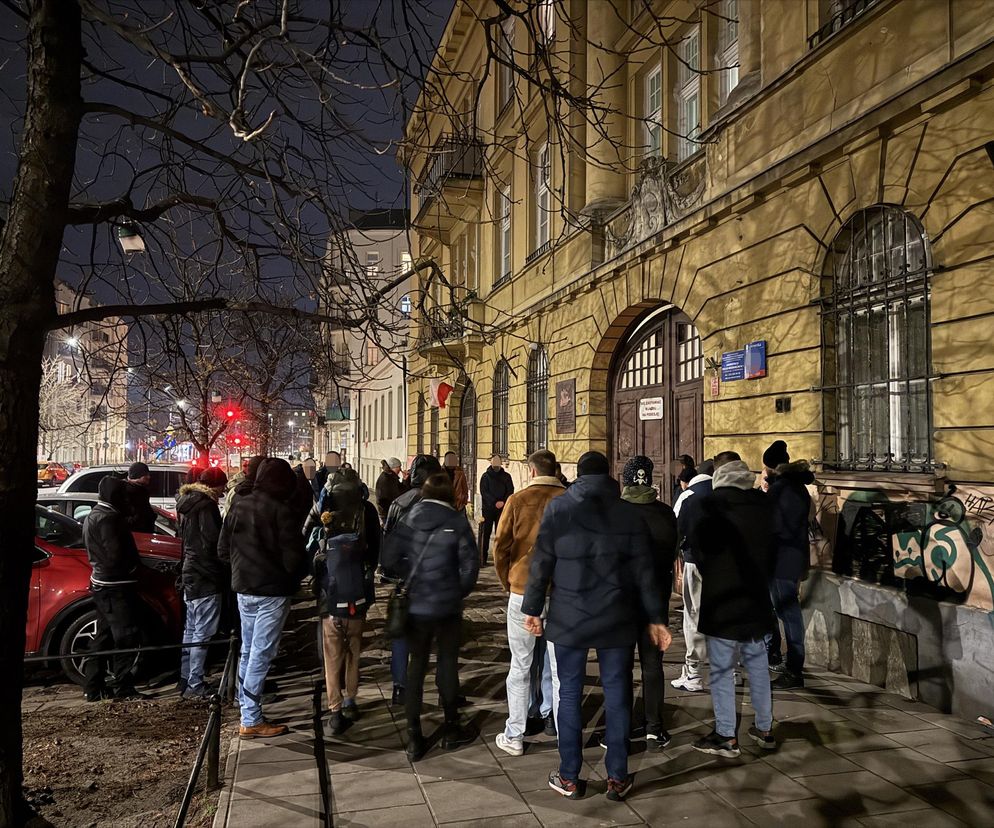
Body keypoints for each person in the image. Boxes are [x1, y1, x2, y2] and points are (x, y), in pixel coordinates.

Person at [522, 451, 672, 802]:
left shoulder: (561, 509)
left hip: (570, 616)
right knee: (618, 693)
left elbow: (541, 560)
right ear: (609, 477)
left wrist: (533, 608)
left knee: (570, 693)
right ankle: (617, 777)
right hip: (616, 615)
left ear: (578, 474)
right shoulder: (628, 513)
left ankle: (569, 776)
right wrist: (655, 618)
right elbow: (644, 572)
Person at [381, 472, 480, 761]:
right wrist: (456, 591)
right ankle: (451, 729)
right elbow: (470, 564)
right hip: (447, 606)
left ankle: (414, 737)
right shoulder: (457, 521)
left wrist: (409, 577)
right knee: (447, 665)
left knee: (416, 668)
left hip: (416, 605)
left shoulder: (408, 519)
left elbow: (387, 559)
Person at [689, 459, 778, 758]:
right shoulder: (764, 507)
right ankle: (764, 729)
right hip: (756, 600)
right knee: (758, 666)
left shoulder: (711, 508)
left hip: (723, 602)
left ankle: (727, 735)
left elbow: (699, 552)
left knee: (722, 671)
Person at [219, 458, 308, 738]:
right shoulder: (282, 510)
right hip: (272, 590)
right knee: (262, 652)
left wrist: (241, 570)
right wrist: (292, 576)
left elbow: (222, 549)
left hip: (244, 587)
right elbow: (294, 559)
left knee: (248, 649)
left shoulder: (239, 504)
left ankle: (246, 706)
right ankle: (251, 717)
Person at [493, 449, 565, 757]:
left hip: (523, 589)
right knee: (560, 667)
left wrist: (507, 580)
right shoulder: (569, 500)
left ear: (532, 471)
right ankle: (563, 731)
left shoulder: (519, 500)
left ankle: (515, 734)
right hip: (562, 590)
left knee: (520, 664)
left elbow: (501, 546)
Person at [312, 469, 381, 735]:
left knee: (332, 655)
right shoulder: (367, 510)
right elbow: (376, 548)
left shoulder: (321, 510)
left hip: (330, 593)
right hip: (358, 592)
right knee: (354, 650)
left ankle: (335, 710)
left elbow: (307, 543)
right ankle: (352, 699)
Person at [617, 456, 677, 749]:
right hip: (657, 599)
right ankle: (655, 726)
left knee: (623, 665)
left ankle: (625, 725)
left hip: (624, 600)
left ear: (626, 480)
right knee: (652, 664)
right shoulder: (666, 513)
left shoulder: (617, 511)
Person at [381, 453, 443, 706]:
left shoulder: (400, 501)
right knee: (441, 637)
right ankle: (444, 691)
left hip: (406, 581)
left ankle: (400, 688)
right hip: (436, 580)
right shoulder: (443, 503)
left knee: (402, 635)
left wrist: (394, 573)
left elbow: (388, 543)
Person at [82, 475, 148, 700]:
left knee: (103, 635)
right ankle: (124, 687)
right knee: (125, 635)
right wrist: (131, 569)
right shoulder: (109, 518)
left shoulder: (94, 515)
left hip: (103, 583)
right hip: (115, 584)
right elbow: (116, 554)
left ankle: (94, 686)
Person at [763, 440, 814, 690]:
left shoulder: (782, 490)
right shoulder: (795, 488)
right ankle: (791, 663)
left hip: (782, 561)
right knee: (786, 612)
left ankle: (794, 669)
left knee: (789, 614)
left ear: (772, 468)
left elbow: (773, 527)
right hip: (790, 558)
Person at [176, 467, 229, 700]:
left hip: (190, 572)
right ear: (214, 486)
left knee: (191, 629)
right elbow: (212, 542)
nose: (224, 491)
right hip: (205, 575)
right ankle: (195, 684)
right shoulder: (206, 506)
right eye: (222, 486)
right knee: (203, 633)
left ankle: (186, 677)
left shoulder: (186, 503)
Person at [671, 458, 718, 693]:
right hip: (727, 565)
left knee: (694, 616)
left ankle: (694, 672)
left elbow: (676, 530)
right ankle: (731, 672)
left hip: (695, 562)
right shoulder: (729, 494)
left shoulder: (689, 496)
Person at [479, 454, 513, 564]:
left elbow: (510, 490)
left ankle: (500, 558)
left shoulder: (506, 476)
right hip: (488, 509)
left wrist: (503, 502)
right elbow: (484, 492)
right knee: (486, 533)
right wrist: (494, 502)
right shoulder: (485, 476)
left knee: (501, 534)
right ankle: (482, 558)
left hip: (502, 509)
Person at [124, 461, 157, 534]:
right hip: (137, 536)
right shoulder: (129, 492)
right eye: (145, 475)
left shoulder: (141, 490)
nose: (149, 477)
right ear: (137, 476)